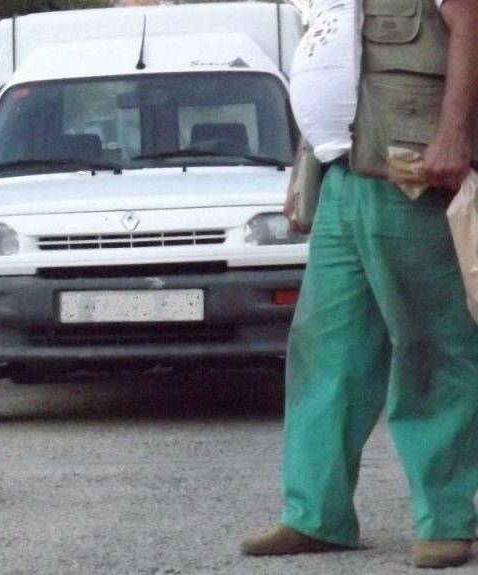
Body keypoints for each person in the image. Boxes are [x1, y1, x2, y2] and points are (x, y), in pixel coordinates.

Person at [240, 0, 478, 568]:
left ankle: (445, 520)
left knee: (430, 345)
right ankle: (316, 516)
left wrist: (453, 133)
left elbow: (470, 22)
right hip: (344, 173)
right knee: (326, 347)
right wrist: (307, 168)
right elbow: (334, 73)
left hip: (408, 169)